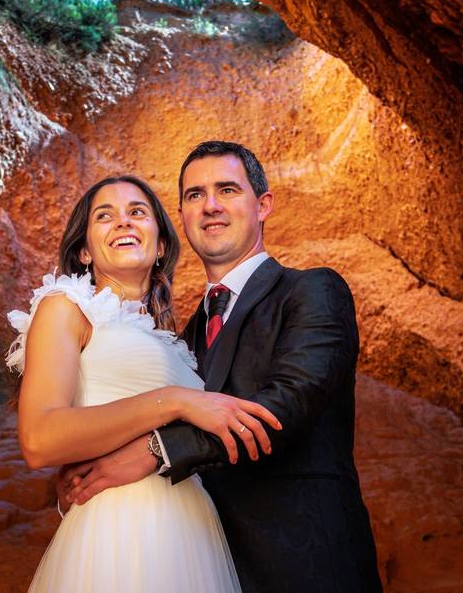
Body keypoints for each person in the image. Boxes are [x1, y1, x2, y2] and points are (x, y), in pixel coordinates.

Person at [62, 142, 382, 592]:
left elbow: (288, 403)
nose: (210, 206)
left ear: (263, 205)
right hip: (204, 567)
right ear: (181, 216)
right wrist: (86, 472)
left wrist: (156, 451)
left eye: (227, 190)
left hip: (306, 566)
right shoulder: (178, 340)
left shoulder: (313, 291)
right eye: (195, 195)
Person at [4, 174, 282, 592]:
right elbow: (40, 438)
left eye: (137, 212)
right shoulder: (66, 307)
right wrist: (173, 401)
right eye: (105, 216)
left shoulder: (176, 341)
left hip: (191, 532)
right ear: (83, 250)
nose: (123, 222)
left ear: (162, 245)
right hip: (119, 529)